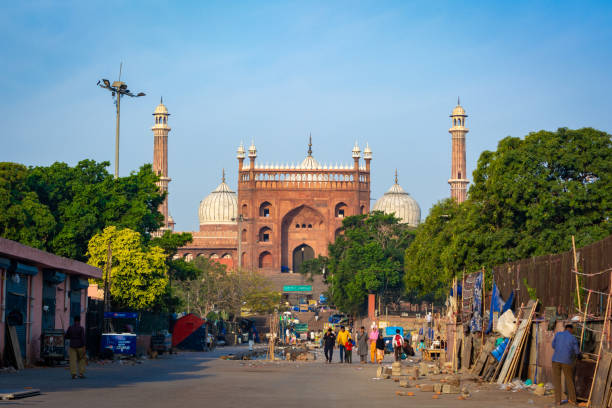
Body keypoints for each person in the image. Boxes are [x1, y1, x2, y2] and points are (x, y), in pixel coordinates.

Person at [552, 324, 581, 406]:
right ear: (571, 330)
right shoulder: (573, 338)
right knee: (569, 380)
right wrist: (579, 355)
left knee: (557, 381)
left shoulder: (557, 334)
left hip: (555, 360)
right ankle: (573, 400)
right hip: (566, 361)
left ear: (565, 329)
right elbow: (577, 352)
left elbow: (553, 345)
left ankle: (558, 401)